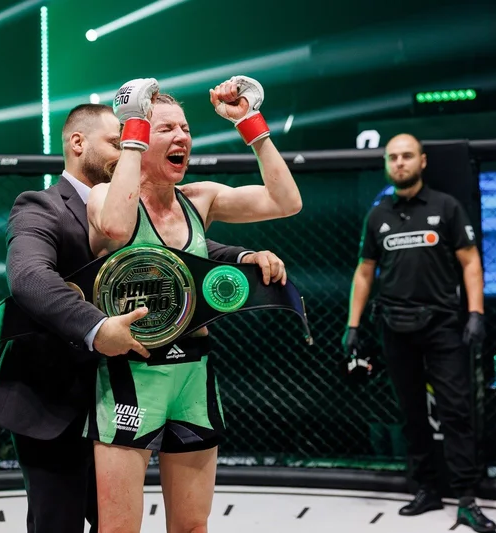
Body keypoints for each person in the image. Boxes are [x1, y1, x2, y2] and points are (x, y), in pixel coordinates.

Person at [0, 102, 288, 533]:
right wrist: (96, 328)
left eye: (137, 138)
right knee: (60, 524)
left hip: (131, 384)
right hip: (57, 398)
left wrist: (241, 257)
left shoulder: (150, 201)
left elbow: (169, 254)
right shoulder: (41, 206)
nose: (132, 146)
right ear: (78, 143)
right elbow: (30, 278)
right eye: (121, 140)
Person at [85, 76, 302, 533]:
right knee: (119, 529)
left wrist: (250, 123)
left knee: (192, 526)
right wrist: (133, 126)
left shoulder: (199, 199)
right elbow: (117, 229)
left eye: (185, 128)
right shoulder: (106, 196)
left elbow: (286, 202)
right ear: (138, 135)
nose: (182, 136)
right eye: (166, 128)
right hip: (131, 376)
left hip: (193, 375)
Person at [342, 133, 496, 532]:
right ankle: (426, 488)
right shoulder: (378, 214)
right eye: (393, 157)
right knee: (411, 413)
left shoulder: (446, 206)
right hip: (395, 327)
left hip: (443, 325)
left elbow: (471, 262)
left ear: (422, 161)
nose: (399, 163)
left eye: (407, 156)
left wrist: (476, 313)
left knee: (456, 411)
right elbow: (364, 272)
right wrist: (353, 325)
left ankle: (466, 498)